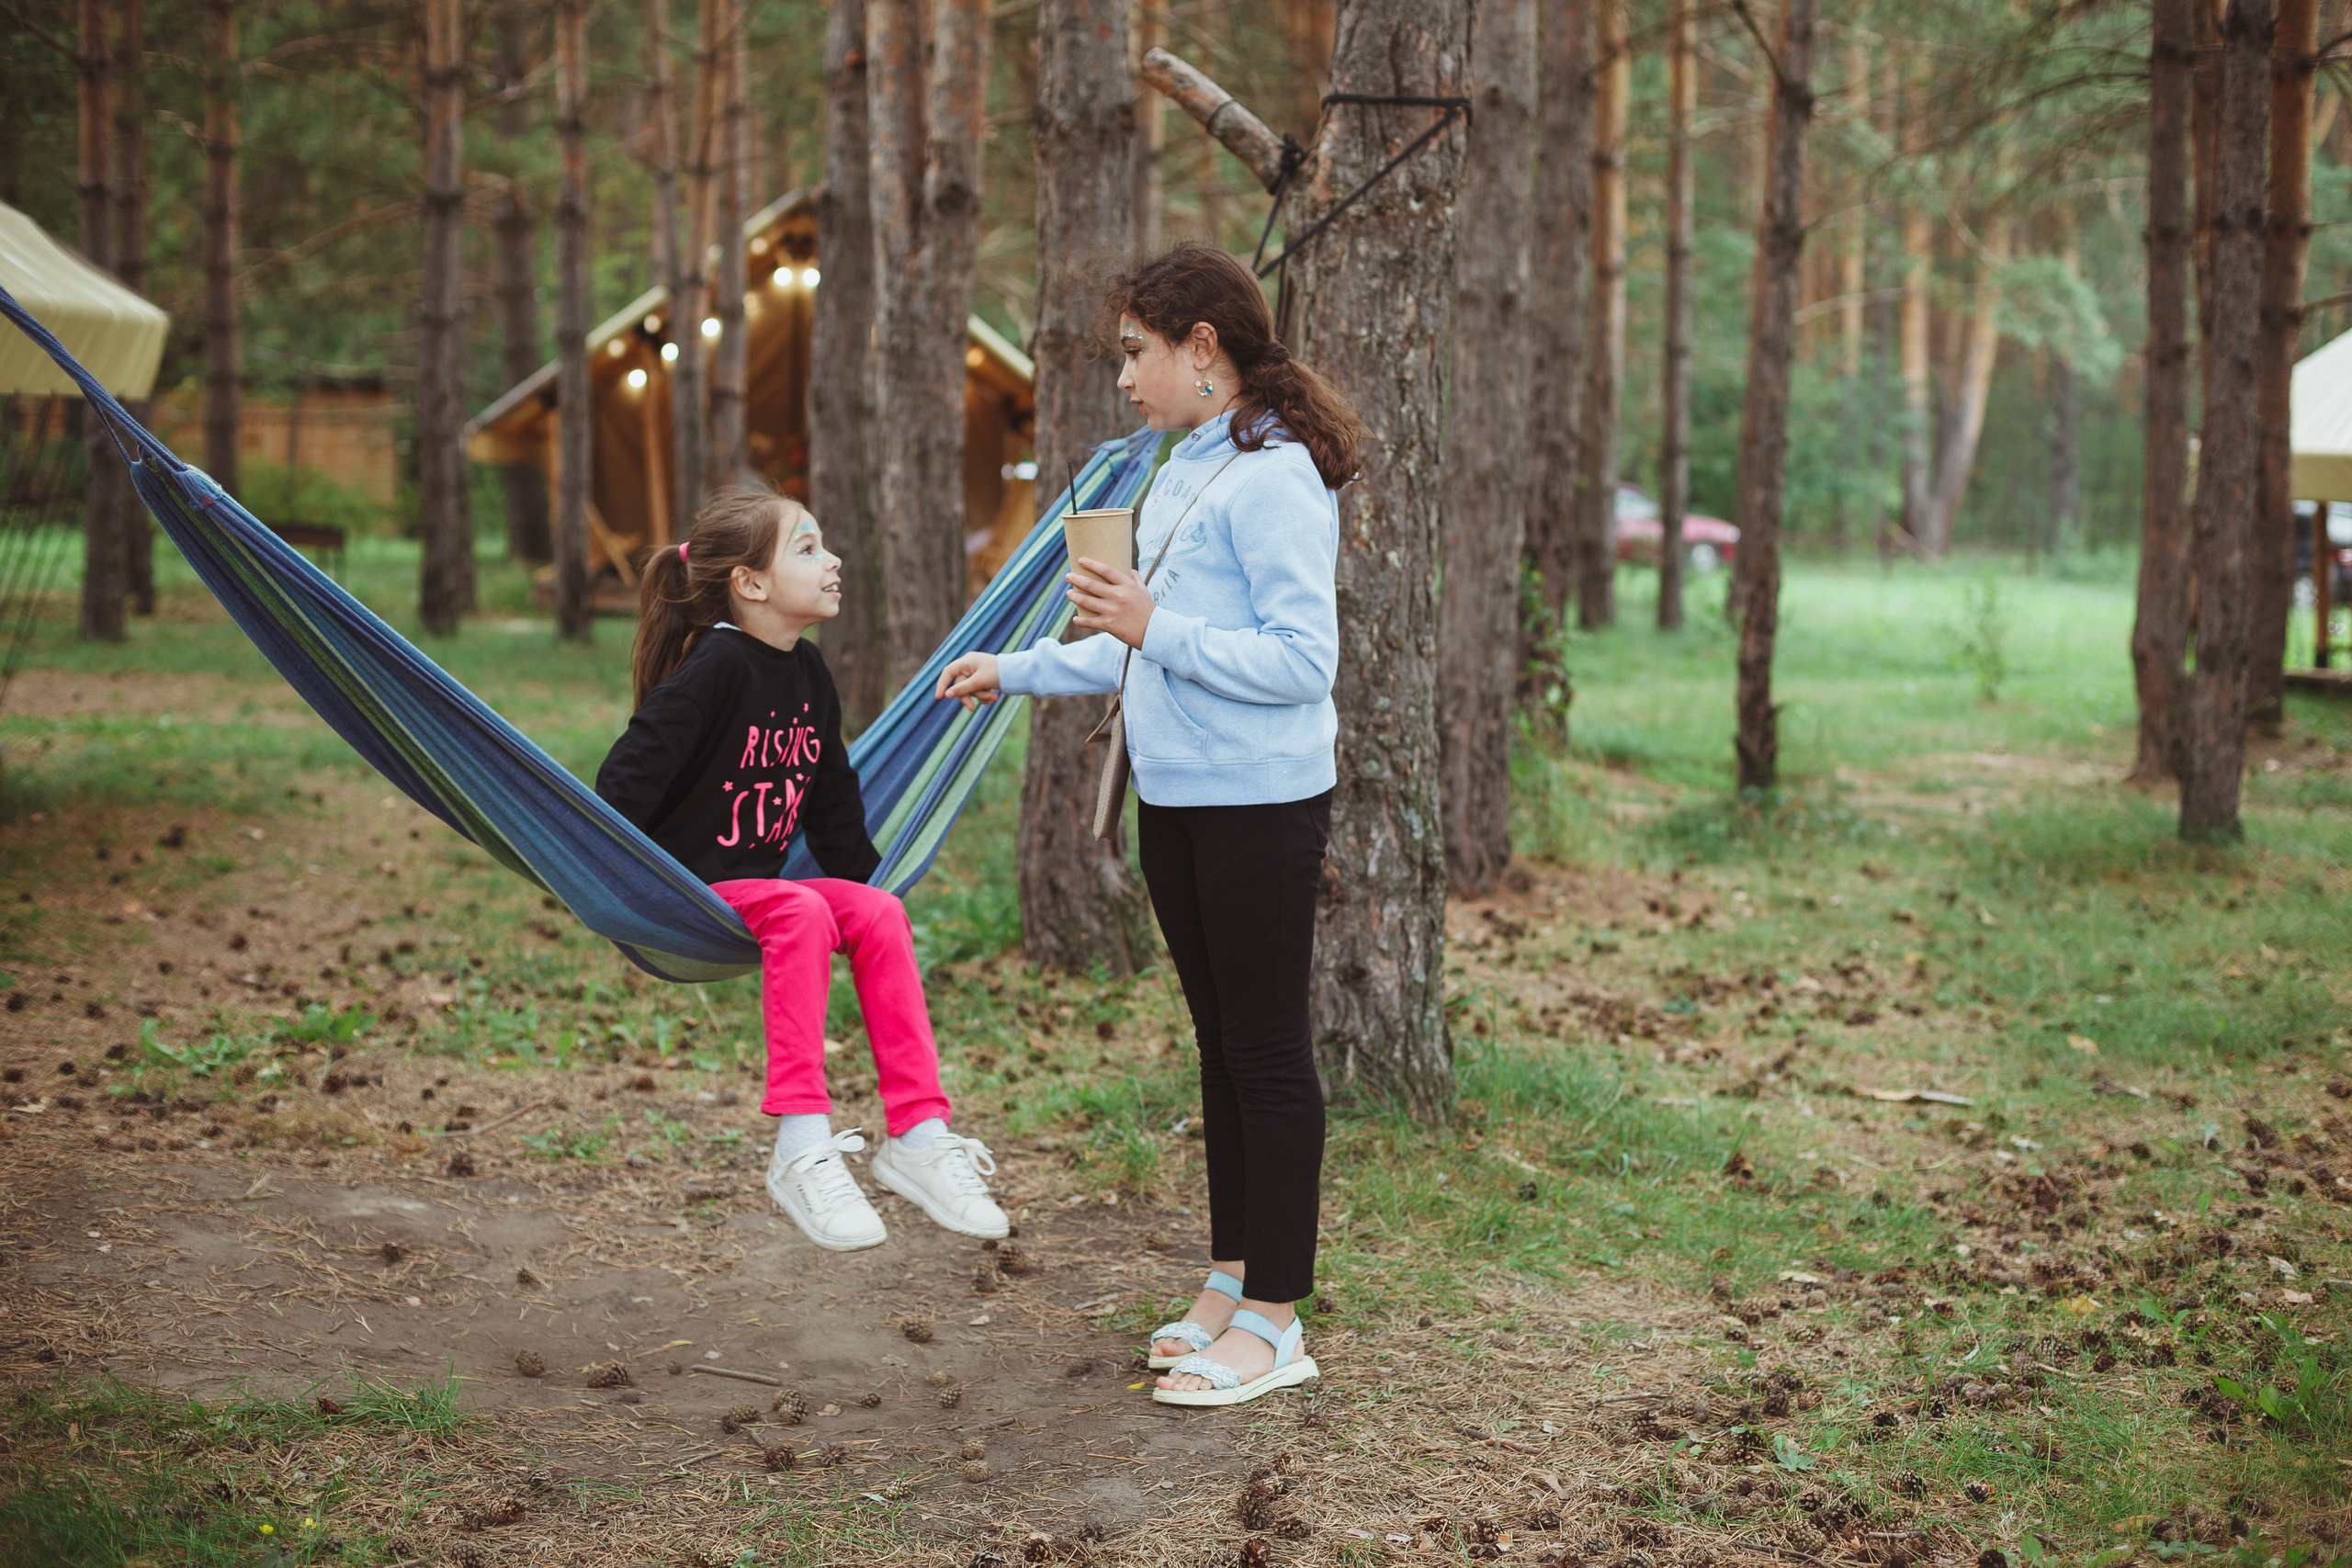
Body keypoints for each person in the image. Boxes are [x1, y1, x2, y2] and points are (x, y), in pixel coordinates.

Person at [935, 244, 1363, 1407]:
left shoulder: (1275, 478)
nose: (1124, 378)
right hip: (1174, 799)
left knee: (1265, 1053)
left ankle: (1277, 1321)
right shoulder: (1185, 466)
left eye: (1137, 353)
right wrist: (1015, 668)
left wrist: (1150, 626)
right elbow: (1130, 638)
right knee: (1219, 1049)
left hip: (1260, 803)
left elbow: (1301, 662)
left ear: (1203, 348)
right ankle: (1232, 1277)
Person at [598, 489, 1008, 1253]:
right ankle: (801, 1140)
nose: (834, 561)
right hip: (692, 892)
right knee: (802, 908)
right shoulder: (715, 666)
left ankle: (918, 1134)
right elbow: (621, 786)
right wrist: (627, 883)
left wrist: (871, 886)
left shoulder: (809, 672)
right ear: (750, 583)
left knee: (877, 910)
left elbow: (834, 805)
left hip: (765, 889)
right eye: (809, 548)